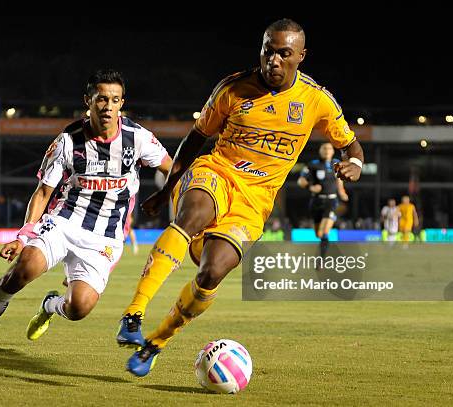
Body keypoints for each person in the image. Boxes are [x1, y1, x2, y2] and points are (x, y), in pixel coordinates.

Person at [117, 18, 364, 376]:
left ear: (301, 56)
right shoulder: (233, 89)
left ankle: (156, 342)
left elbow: (350, 144)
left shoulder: (316, 100)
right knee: (192, 215)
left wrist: (354, 162)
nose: (273, 61)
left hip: (254, 203)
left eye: (284, 54)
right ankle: (133, 314)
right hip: (216, 172)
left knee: (212, 272)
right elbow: (196, 138)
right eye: (268, 51)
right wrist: (168, 188)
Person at [0, 69, 172, 359]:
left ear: (122, 103)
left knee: (79, 308)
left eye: (115, 100)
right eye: (101, 99)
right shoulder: (67, 141)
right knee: (23, 270)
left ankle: (50, 305)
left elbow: (171, 168)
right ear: (88, 101)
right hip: (64, 222)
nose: (108, 107)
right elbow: (42, 193)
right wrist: (24, 237)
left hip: (104, 238)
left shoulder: (138, 139)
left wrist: (164, 195)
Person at [297, 142, 349, 254]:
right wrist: (310, 187)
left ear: (333, 151)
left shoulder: (336, 163)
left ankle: (321, 259)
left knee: (325, 231)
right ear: (320, 151)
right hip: (316, 201)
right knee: (318, 234)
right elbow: (300, 181)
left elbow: (339, 180)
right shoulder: (313, 165)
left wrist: (342, 192)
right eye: (324, 148)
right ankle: (322, 244)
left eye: (329, 148)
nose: (327, 150)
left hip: (331, 201)